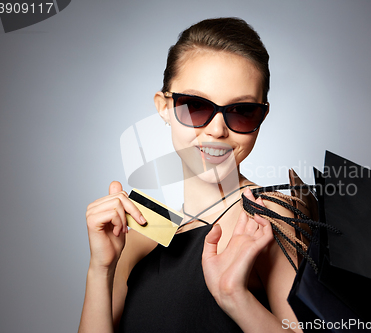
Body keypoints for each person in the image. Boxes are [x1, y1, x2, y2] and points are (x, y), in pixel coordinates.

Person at [79, 17, 302, 332]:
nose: (217, 130)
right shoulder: (144, 228)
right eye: (195, 106)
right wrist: (100, 270)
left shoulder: (268, 217)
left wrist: (235, 297)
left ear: (261, 116)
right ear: (164, 107)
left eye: (241, 111)